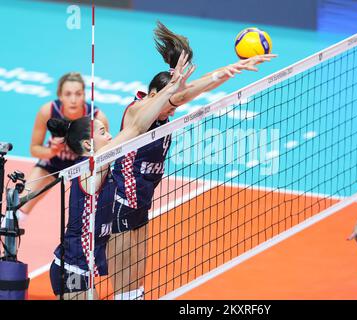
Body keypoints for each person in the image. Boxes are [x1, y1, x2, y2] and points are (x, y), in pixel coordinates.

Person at [108, 21, 276, 300]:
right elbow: (178, 97)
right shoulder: (139, 110)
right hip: (122, 194)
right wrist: (175, 89)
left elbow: (193, 89)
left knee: (138, 260)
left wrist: (230, 71)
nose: (175, 106)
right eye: (171, 98)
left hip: (143, 193)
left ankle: (135, 295)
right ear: (155, 94)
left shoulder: (162, 113)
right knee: (122, 262)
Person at [46, 52, 194, 299]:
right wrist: (168, 89)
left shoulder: (103, 163)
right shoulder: (92, 168)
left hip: (84, 268)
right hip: (72, 269)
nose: (110, 136)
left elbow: (136, 129)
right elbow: (135, 126)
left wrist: (171, 90)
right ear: (88, 145)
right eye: (103, 132)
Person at [19, 72, 109, 221]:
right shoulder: (47, 111)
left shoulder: (97, 118)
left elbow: (105, 153)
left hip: (84, 167)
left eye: (78, 94)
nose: (73, 100)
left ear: (84, 95)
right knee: (19, 208)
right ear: (60, 96)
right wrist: (52, 150)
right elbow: (34, 149)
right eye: (68, 94)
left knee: (90, 216)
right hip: (54, 162)